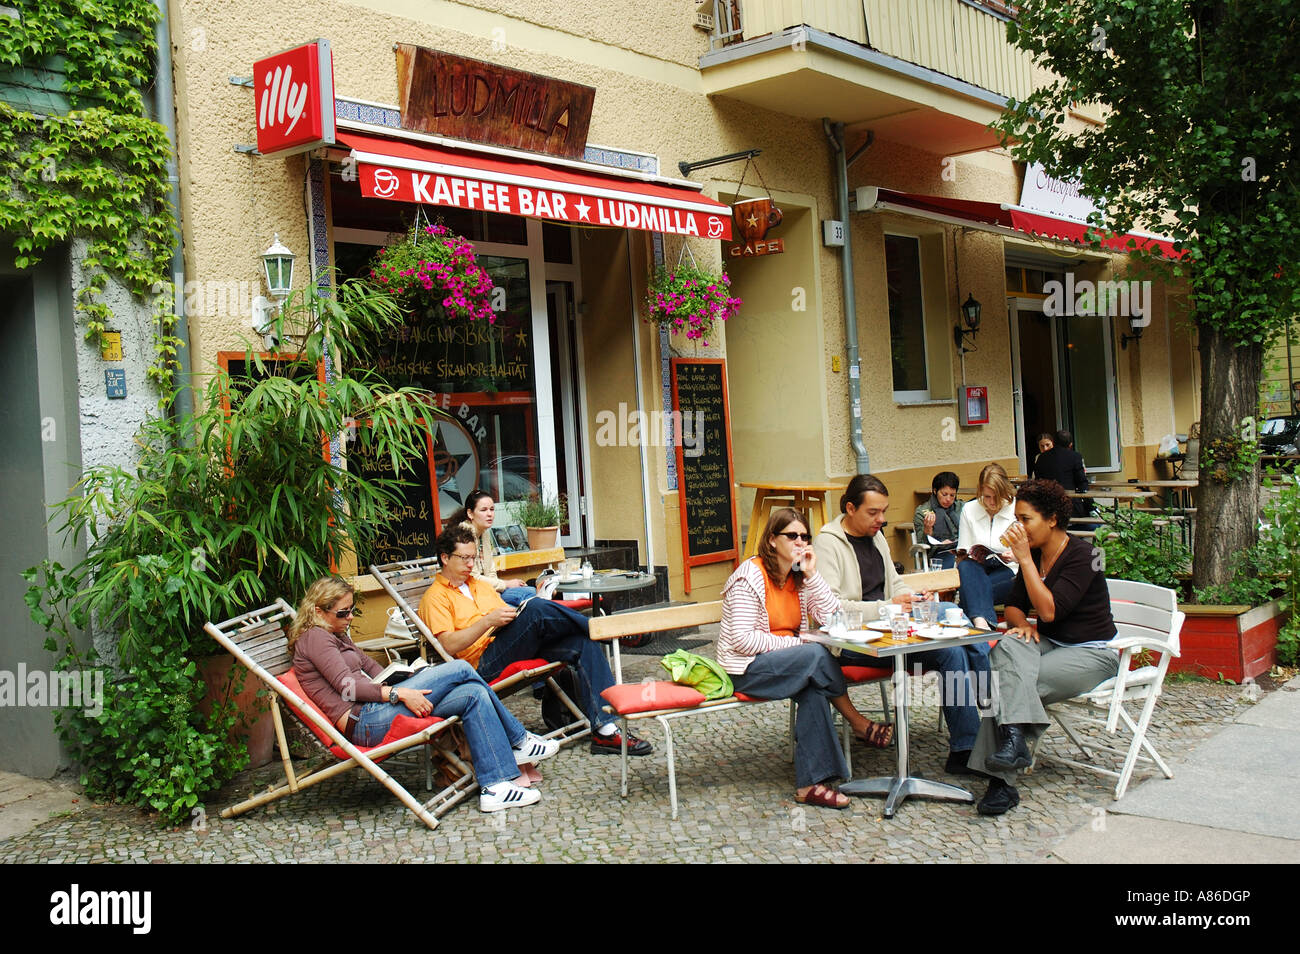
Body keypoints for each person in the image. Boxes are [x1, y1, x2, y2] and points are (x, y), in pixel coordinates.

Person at [289, 576, 559, 813]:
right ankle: (519, 740)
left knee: (473, 692)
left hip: (376, 710)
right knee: (461, 668)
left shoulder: (336, 634)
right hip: (364, 722)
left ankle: (495, 787)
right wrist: (399, 693)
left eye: (352, 612)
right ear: (317, 611)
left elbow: (371, 668)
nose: (349, 619)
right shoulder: (315, 638)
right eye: (342, 613)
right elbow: (347, 687)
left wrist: (408, 675)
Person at [418, 523, 652, 757]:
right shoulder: (435, 597)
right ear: (445, 558)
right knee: (537, 610)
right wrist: (488, 621)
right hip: (482, 664)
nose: (471, 565)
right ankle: (607, 632)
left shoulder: (478, 585)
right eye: (464, 558)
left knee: (582, 642)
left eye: (473, 558)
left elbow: (507, 616)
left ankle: (606, 730)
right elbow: (448, 645)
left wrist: (513, 615)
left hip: (509, 643)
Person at [817, 474, 990, 775]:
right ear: (849, 508)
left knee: (950, 647)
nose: (881, 519)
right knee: (953, 618)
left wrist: (912, 598)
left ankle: (965, 749)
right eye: (873, 512)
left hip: (894, 632)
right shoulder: (827, 544)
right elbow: (832, 610)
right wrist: (888, 607)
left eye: (884, 511)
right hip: (854, 642)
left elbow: (894, 585)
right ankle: (991, 708)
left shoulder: (877, 537)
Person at [968, 479, 1119, 815]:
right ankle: (1014, 745)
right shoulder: (1035, 555)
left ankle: (1001, 783)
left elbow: (1050, 610)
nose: (1018, 527)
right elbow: (1013, 607)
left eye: (1025, 519)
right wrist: (1022, 626)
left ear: (1051, 519)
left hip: (1092, 652)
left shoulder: (1085, 556)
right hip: (1051, 643)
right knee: (1006, 649)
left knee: (1013, 683)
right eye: (1016, 519)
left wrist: (1024, 561)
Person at [717, 508, 853, 809]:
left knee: (814, 686)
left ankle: (810, 785)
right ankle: (855, 720)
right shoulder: (749, 577)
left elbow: (833, 618)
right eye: (792, 536)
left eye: (805, 537)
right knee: (816, 654)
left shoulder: (798, 579)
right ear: (771, 540)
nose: (800, 543)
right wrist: (793, 642)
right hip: (747, 668)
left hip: (789, 664)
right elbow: (741, 640)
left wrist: (812, 575)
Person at [956, 463, 1019, 632]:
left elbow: (1032, 553)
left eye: (996, 497)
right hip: (977, 569)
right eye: (987, 497)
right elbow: (963, 551)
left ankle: (979, 622)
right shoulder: (969, 509)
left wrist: (1014, 556)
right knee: (966, 565)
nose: (991, 502)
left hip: (1009, 569)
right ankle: (984, 624)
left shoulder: (1017, 510)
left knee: (970, 592)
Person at [444, 490, 536, 607]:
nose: (489, 514)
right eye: (483, 510)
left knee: (532, 593)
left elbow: (490, 571)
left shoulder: (484, 532)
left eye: (492, 509)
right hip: (469, 595)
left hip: (486, 591)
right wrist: (505, 584)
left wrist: (497, 590)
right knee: (530, 597)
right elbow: (472, 578)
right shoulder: (464, 536)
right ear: (470, 513)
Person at [1031, 429, 1091, 518]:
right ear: (1070, 444)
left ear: (1053, 442)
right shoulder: (1075, 456)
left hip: (1047, 507)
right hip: (1070, 506)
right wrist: (1090, 505)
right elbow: (1081, 481)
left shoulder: (1041, 458)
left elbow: (1037, 480)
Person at [913, 470, 964, 569]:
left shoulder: (962, 507)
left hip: (962, 550)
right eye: (944, 494)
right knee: (960, 566)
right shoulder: (923, 512)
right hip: (939, 554)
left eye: (952, 495)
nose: (948, 499)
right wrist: (928, 529)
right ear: (935, 491)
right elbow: (921, 547)